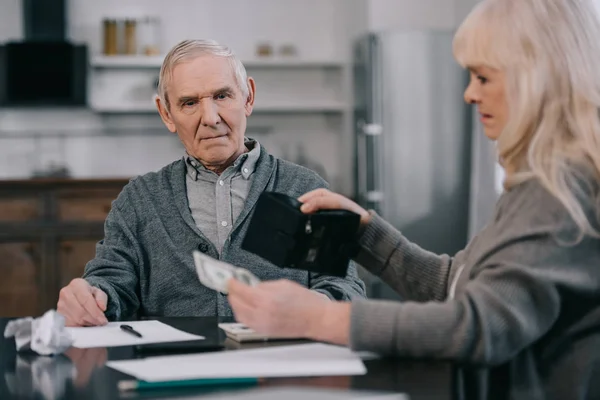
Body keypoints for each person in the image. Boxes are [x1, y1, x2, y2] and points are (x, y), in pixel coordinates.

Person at [228, 0, 600, 367]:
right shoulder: (536, 186)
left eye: (483, 77)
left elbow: (480, 326)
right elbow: (453, 285)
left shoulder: (558, 193)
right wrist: (363, 232)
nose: (469, 94)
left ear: (538, 80)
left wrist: (319, 318)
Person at [56, 40, 366, 327]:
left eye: (222, 96)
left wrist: (313, 307)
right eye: (189, 103)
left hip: (280, 373)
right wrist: (92, 295)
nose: (211, 117)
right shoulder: (139, 201)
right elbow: (111, 281)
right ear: (166, 113)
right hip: (175, 380)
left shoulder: (306, 188)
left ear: (248, 97)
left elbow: (344, 287)